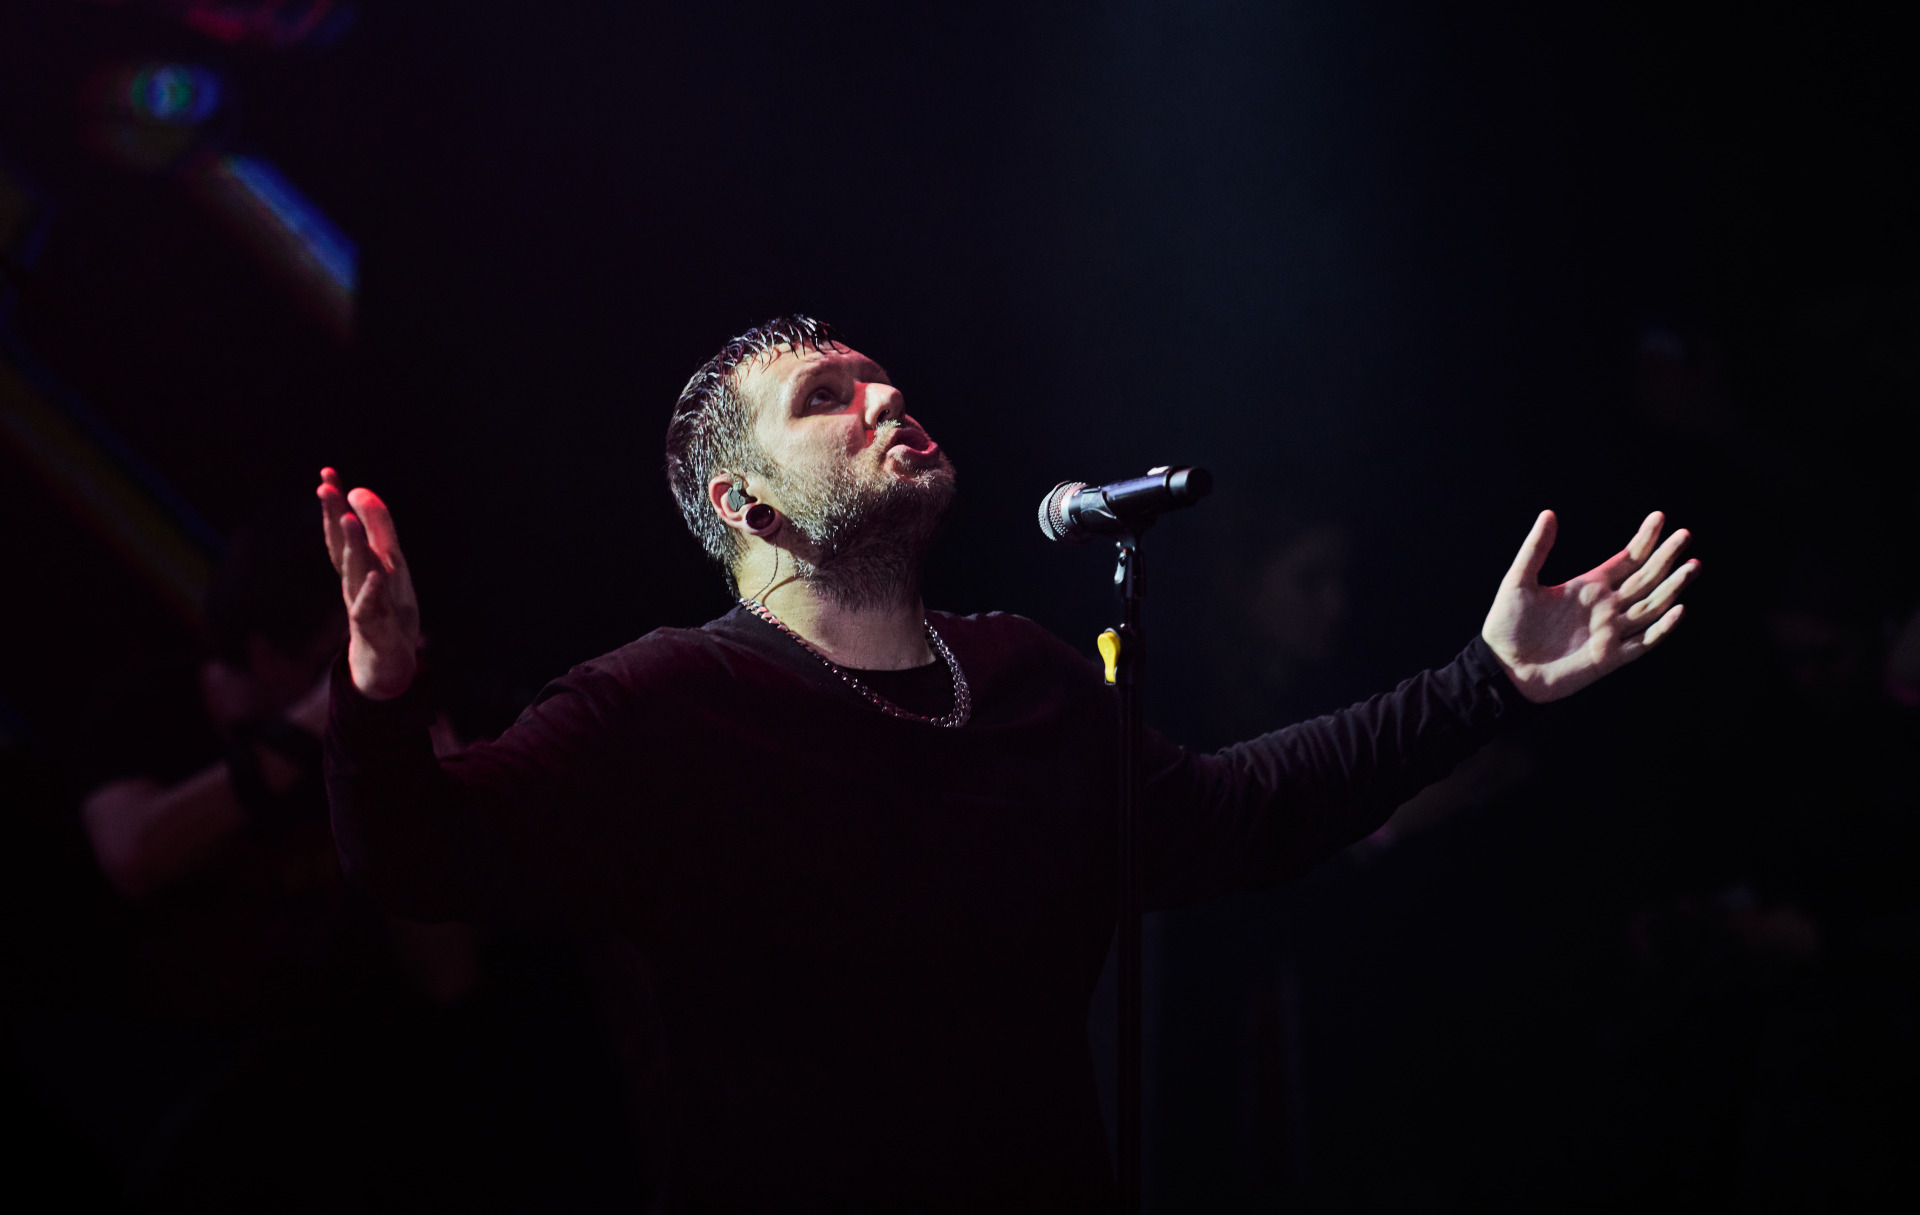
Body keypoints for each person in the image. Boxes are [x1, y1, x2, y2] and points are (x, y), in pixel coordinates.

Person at [320, 314, 1698, 1210]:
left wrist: (1486, 681)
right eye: (826, 397)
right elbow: (422, 855)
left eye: (882, 377)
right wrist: (380, 691)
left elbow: (1241, 815)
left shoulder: (1024, 677)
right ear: (749, 506)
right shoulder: (667, 701)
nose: (885, 395)